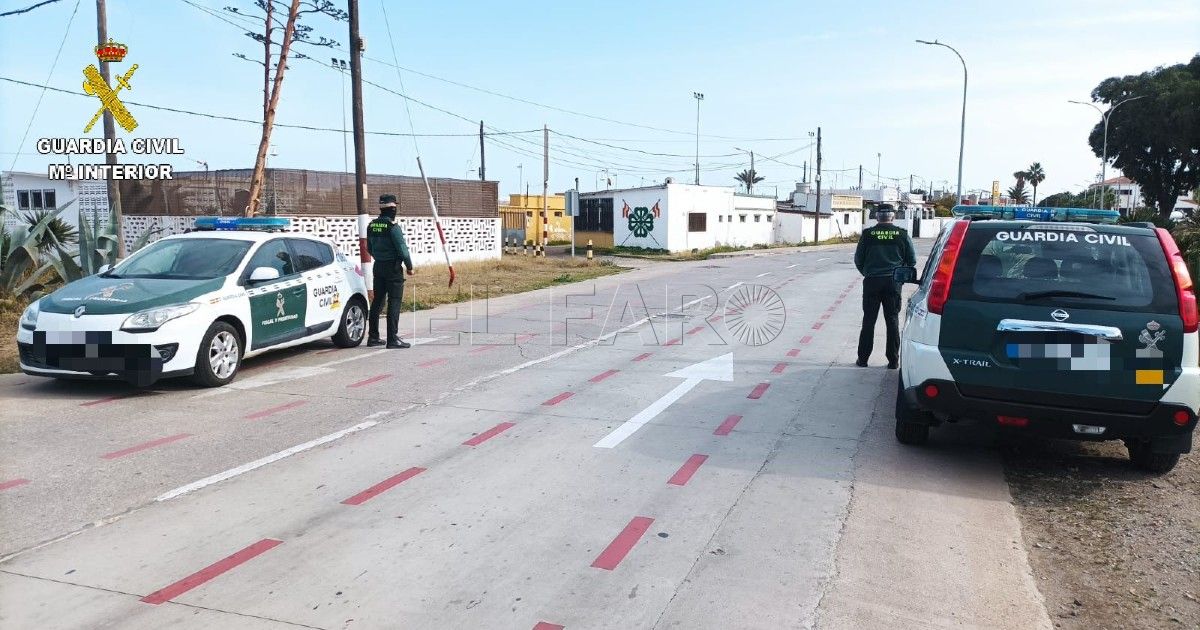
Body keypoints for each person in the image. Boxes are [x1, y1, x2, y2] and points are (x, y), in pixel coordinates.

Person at [854, 205, 916, 369]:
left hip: (872, 282)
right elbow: (912, 261)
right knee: (892, 321)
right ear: (893, 217)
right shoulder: (902, 234)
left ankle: (863, 359)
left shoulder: (868, 235)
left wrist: (868, 273)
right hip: (893, 283)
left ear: (876, 217)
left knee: (868, 321)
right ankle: (893, 361)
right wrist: (899, 277)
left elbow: (858, 260)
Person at [366, 194, 415, 349]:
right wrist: (409, 267)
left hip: (378, 266)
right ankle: (392, 339)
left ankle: (373, 338)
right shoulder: (393, 228)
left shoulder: (371, 226)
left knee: (377, 302)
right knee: (394, 302)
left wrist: (380, 257)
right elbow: (403, 250)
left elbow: (369, 248)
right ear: (393, 208)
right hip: (393, 269)